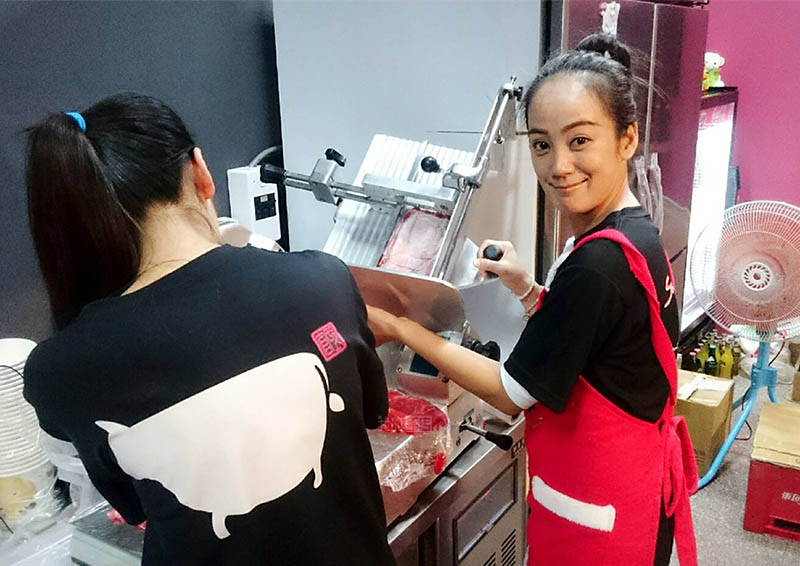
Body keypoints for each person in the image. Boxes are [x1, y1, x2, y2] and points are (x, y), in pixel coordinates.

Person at [23, 93, 396, 565]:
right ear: (201, 172)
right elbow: (369, 413)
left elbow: (136, 504)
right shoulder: (322, 280)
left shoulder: (60, 369)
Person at [367, 34, 697, 566]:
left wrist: (400, 325)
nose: (559, 166)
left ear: (627, 138)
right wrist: (526, 288)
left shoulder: (598, 264)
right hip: (636, 487)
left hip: (599, 517)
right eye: (542, 145)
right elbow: (597, 337)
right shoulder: (632, 234)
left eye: (580, 140)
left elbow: (510, 394)